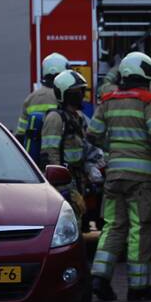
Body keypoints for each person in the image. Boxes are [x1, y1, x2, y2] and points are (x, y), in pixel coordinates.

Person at [88, 51, 151, 302]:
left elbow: (93, 134)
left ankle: (99, 277)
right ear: (146, 73)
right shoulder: (148, 100)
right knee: (140, 228)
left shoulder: (108, 100)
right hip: (142, 178)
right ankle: (138, 286)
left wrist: (112, 150)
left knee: (113, 226)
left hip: (114, 176)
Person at [41, 70, 91, 221]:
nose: (81, 95)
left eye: (82, 90)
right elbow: (50, 153)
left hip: (77, 177)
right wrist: (61, 186)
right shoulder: (55, 118)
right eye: (77, 92)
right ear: (65, 94)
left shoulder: (79, 117)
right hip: (64, 181)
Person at [14, 52, 68, 166]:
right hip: (56, 157)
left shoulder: (30, 98)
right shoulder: (63, 97)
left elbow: (20, 133)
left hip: (33, 159)